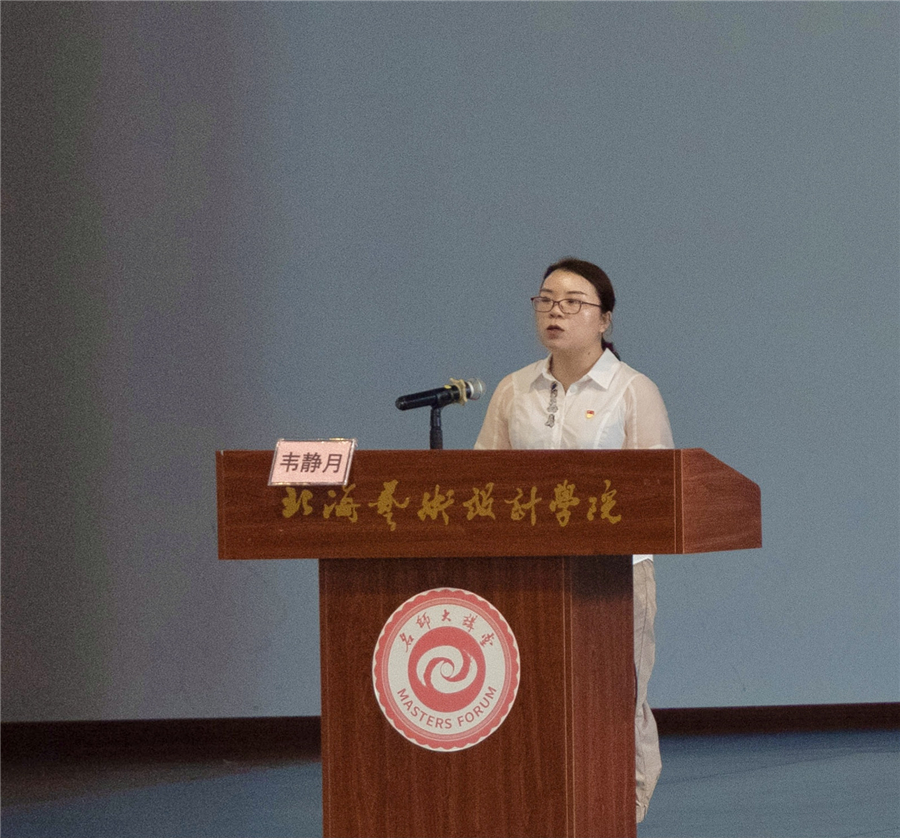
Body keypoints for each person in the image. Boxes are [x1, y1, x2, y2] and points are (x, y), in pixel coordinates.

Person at [474, 257, 673, 825]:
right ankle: (541, 809)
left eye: (572, 302)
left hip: (613, 575)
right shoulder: (513, 389)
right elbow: (482, 481)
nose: (555, 311)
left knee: (616, 697)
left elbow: (656, 489)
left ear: (604, 319)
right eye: (545, 300)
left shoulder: (632, 390)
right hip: (527, 572)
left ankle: (623, 812)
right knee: (531, 696)